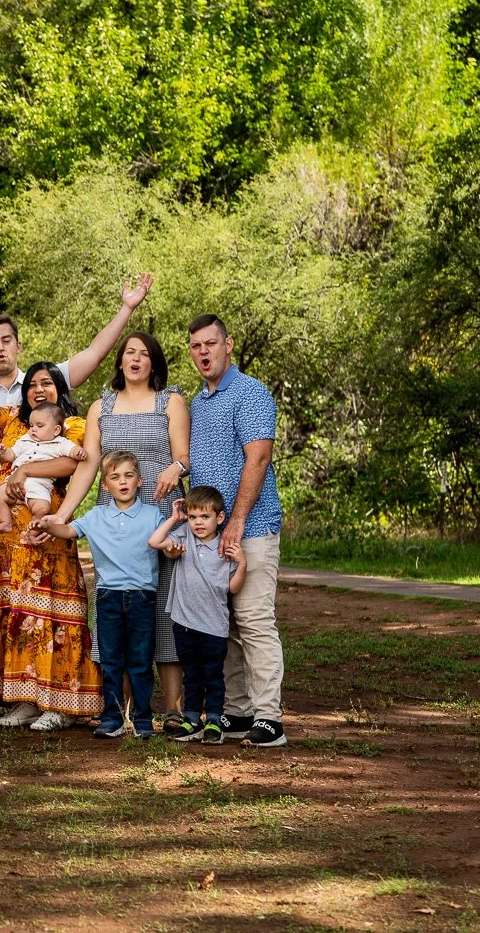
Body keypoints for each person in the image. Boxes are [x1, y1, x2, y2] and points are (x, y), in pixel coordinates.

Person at [64, 331, 193, 731]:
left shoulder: (169, 401)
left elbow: (183, 455)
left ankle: (171, 709)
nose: (136, 359)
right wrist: (63, 515)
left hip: (162, 516)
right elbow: (88, 466)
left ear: (153, 362)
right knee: (117, 615)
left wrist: (177, 467)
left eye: (144, 354)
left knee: (166, 612)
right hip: (116, 525)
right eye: (129, 353)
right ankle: (118, 711)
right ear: (119, 361)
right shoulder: (101, 406)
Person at [0, 357, 98, 732]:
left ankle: (59, 701)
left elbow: (69, 467)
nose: (39, 389)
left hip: (45, 535)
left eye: (47, 383)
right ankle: (24, 699)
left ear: (59, 391)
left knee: (50, 615)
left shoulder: (71, 425)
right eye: (33, 385)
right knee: (16, 617)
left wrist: (22, 471)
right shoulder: (12, 420)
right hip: (5, 541)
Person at [187, 314, 287, 748]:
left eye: (211, 343)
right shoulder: (198, 402)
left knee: (253, 620)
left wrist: (239, 521)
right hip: (211, 536)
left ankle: (270, 719)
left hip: (251, 528)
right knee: (222, 623)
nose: (204, 352)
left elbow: (258, 459)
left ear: (229, 345)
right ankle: (240, 711)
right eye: (196, 346)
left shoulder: (250, 393)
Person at [0, 277, 154, 497]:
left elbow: (94, 353)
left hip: (46, 505)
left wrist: (126, 308)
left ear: (18, 345)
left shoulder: (44, 380)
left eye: (6, 340)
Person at [28, 450, 163, 740]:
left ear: (139, 481)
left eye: (128, 476)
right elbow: (67, 531)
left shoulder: (153, 514)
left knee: (140, 660)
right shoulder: (97, 515)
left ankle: (143, 719)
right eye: (115, 477)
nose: (122, 481)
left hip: (142, 597)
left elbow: (167, 541)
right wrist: (47, 524)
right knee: (111, 660)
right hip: (109, 596)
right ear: (105, 486)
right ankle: (112, 717)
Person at [149, 486, 246, 744]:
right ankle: (192, 720)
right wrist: (174, 518)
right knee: (191, 675)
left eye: (204, 517)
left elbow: (233, 588)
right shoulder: (184, 537)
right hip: (184, 623)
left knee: (213, 676)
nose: (198, 523)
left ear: (220, 518)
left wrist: (243, 563)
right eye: (193, 517)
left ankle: (214, 721)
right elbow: (155, 542)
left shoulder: (226, 547)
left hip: (214, 626)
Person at [0, 403, 81, 529]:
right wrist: (4, 451)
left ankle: (34, 530)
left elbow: (72, 451)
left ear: (56, 430)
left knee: (42, 508)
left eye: (39, 426)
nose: (33, 429)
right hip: (13, 481)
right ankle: (6, 522)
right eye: (31, 426)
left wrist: (78, 452)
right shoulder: (25, 440)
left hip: (39, 483)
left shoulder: (60, 443)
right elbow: (11, 456)